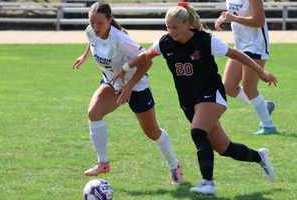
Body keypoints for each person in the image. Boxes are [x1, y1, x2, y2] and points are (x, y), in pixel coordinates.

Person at [109, 2, 277, 196]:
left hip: (211, 94)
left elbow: (235, 53)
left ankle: (208, 183)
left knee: (197, 132)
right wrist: (124, 69)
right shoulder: (165, 42)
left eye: (175, 27)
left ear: (187, 24)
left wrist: (260, 70)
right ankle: (260, 157)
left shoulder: (206, 41)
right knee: (224, 148)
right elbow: (145, 55)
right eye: (168, 27)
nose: (171, 31)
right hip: (189, 102)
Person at [71, 1, 183, 185]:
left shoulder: (121, 39)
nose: (95, 27)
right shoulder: (91, 31)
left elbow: (147, 62)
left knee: (152, 132)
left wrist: (130, 85)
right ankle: (103, 163)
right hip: (112, 83)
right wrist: (84, 57)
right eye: (92, 22)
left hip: (136, 86)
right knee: (93, 113)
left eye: (100, 23)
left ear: (109, 21)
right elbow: (93, 40)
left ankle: (173, 165)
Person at [214, 0, 277, 135]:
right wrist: (224, 17)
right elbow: (235, 13)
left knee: (249, 88)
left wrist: (234, 18)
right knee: (228, 86)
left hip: (256, 45)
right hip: (240, 45)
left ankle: (268, 126)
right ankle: (265, 105)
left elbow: (259, 21)